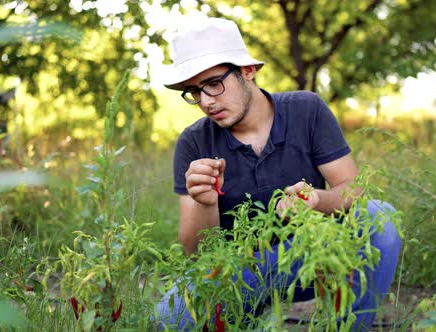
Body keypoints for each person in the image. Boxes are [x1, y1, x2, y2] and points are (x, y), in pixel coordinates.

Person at [155, 17, 402, 331]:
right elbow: (196, 256)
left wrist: (317, 200)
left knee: (381, 218)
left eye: (214, 84)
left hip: (314, 257)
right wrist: (205, 203)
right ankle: (247, 317)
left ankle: (351, 326)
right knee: (166, 321)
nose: (205, 101)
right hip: (241, 273)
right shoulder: (194, 142)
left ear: (248, 71)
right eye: (193, 91)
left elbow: (353, 189)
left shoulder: (306, 110)